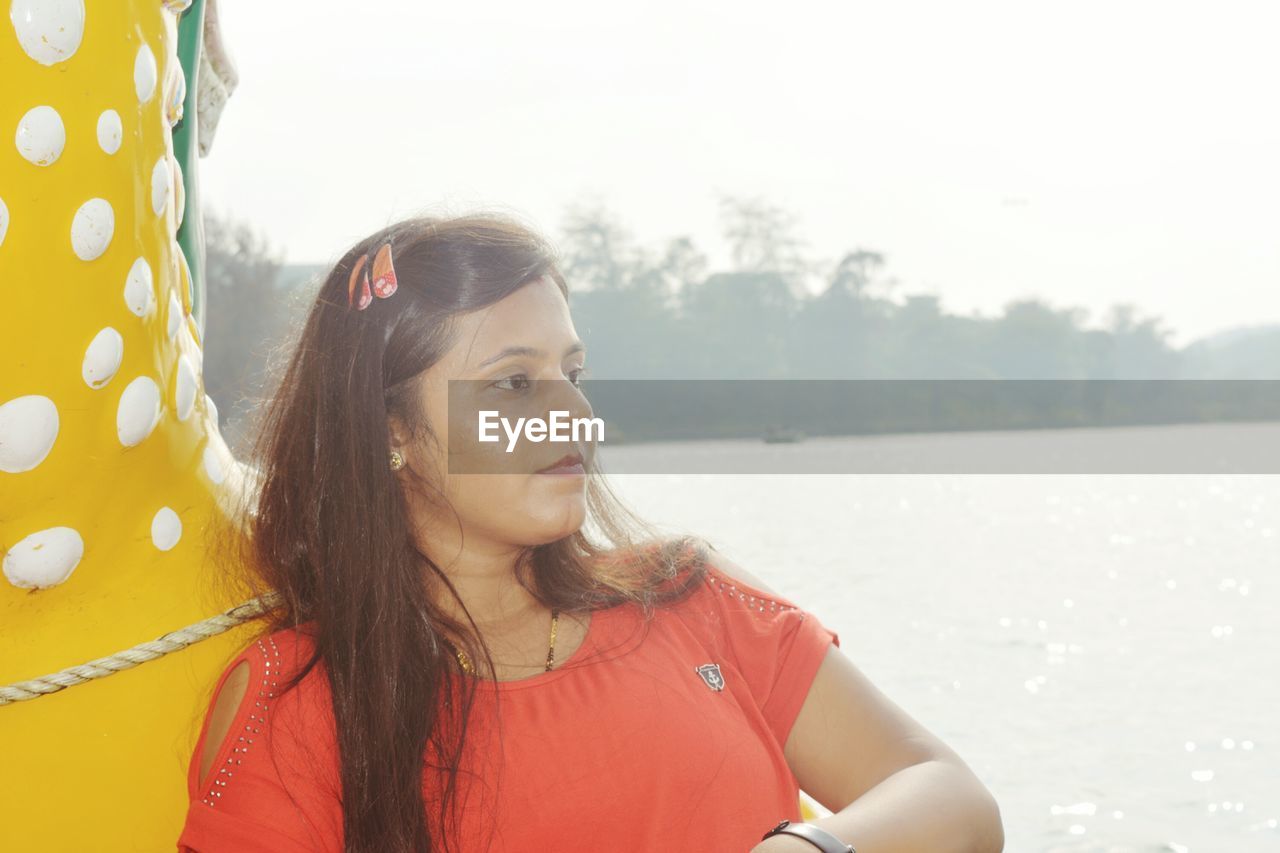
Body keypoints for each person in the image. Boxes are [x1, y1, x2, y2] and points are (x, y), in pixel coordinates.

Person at [177, 213, 1004, 852]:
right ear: (388, 430)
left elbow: (954, 799)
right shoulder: (298, 703)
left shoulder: (691, 598)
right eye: (514, 382)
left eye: (573, 373)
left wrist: (805, 844)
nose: (573, 412)